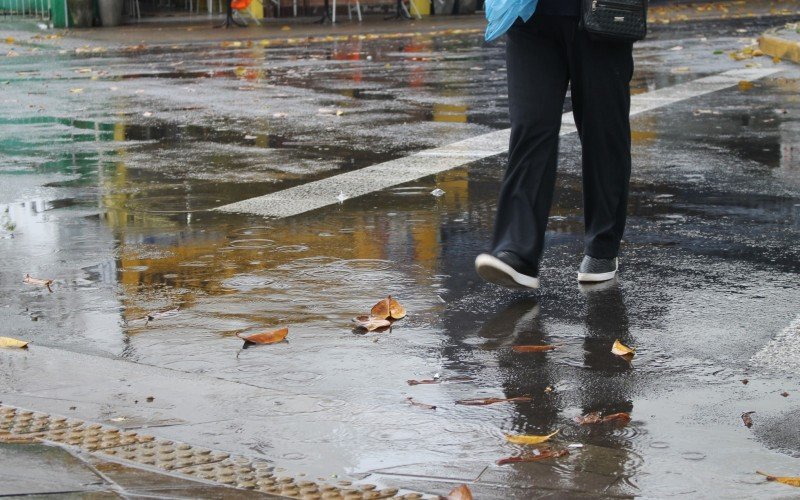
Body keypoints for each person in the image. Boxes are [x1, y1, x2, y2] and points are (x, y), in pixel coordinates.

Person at [475, 0, 634, 289]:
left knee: (604, 128)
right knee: (530, 125)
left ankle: (603, 246)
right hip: (528, 14)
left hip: (604, 10)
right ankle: (517, 252)